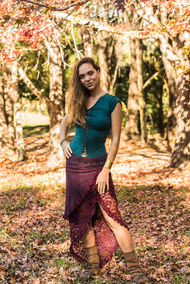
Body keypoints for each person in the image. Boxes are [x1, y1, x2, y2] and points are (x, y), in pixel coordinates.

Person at [60, 57, 149, 283]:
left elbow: (116, 139)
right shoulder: (78, 100)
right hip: (75, 166)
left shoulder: (112, 102)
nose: (87, 78)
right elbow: (64, 122)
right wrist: (63, 141)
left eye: (90, 73)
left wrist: (106, 169)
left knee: (113, 218)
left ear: (98, 72)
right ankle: (92, 267)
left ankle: (136, 270)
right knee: (83, 218)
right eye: (82, 76)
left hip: (99, 166)